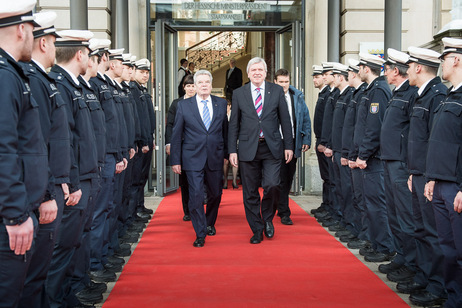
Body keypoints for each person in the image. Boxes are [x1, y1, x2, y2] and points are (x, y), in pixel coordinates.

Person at [18, 11, 71, 308]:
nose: (54, 50)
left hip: (51, 185)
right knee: (35, 273)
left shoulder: (42, 80)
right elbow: (35, 143)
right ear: (43, 44)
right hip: (43, 191)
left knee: (40, 269)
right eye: (52, 42)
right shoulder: (33, 80)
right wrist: (51, 188)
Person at [0, 2, 49, 307]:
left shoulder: (12, 74)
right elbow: (4, 148)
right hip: (10, 219)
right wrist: (17, 214)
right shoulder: (5, 77)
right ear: (21, 29)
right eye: (32, 29)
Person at [46, 29, 98, 308]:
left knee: (73, 242)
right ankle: (55, 300)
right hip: (74, 180)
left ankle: (65, 295)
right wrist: (72, 181)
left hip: (84, 175)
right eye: (88, 54)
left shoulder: (73, 85)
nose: (89, 60)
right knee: (63, 246)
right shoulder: (61, 86)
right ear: (80, 54)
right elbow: (65, 139)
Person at [228, 57, 293, 244]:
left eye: (260, 70)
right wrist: (232, 150)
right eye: (253, 70)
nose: (257, 72)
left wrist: (288, 145)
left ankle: (268, 219)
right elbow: (233, 124)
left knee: (273, 185)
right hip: (248, 148)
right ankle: (256, 228)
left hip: (272, 147)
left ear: (265, 73)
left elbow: (285, 120)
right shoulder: (239, 93)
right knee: (249, 191)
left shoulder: (276, 91)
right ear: (248, 73)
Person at [402, 46, 447, 307]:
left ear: (418, 67)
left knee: (433, 232)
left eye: (409, 66)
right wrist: (412, 171)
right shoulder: (422, 95)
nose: (407, 70)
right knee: (420, 229)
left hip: (428, 175)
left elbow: (434, 141)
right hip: (417, 173)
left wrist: (428, 175)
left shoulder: (437, 95)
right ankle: (424, 275)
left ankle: (438, 285)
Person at [170, 70, 228, 247]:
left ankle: (210, 222)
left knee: (215, 194)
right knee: (195, 196)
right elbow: (176, 134)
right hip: (192, 157)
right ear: (194, 86)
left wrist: (227, 153)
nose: (204, 85)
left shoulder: (221, 103)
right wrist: (175, 160)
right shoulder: (184, 106)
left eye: (207, 82)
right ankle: (200, 232)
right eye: (200, 82)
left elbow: (225, 131)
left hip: (215, 157)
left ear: (211, 85)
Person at [424, 37, 462, 308]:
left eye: (444, 59)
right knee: (448, 248)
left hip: (457, 187)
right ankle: (453, 298)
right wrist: (433, 177)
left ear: (456, 60)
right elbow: (442, 142)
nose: (441, 65)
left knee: (460, 251)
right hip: (442, 183)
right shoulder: (450, 94)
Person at [379, 48, 418, 286]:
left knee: (406, 216)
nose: (384, 73)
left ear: (396, 70)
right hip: (390, 160)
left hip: (401, 163)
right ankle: (402, 255)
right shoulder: (397, 93)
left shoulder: (411, 94)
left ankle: (413, 264)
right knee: (394, 214)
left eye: (387, 69)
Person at [355, 52, 395, 263]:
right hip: (370, 157)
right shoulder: (372, 90)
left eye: (360, 67)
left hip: (374, 158)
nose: (358, 70)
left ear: (366, 68)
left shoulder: (378, 91)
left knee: (378, 204)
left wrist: (363, 154)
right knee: (371, 203)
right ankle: (377, 241)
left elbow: (374, 127)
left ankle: (385, 246)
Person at [273, 68, 311, 225]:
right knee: (277, 179)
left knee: (288, 177)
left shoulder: (297, 96)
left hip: (292, 141)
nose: (283, 85)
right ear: (275, 82)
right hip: (275, 143)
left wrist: (306, 138)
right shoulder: (270, 96)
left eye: (286, 82)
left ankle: (280, 206)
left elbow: (306, 118)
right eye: (280, 82)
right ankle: (284, 211)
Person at [342, 59, 368, 250]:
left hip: (362, 156)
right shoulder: (358, 94)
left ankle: (366, 234)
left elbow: (369, 129)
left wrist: (358, 154)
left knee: (364, 199)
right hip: (351, 152)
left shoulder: (366, 94)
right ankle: (355, 227)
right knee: (352, 193)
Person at [328, 63, 355, 236]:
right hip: (338, 149)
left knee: (347, 189)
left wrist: (346, 152)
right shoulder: (341, 96)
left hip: (344, 151)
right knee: (340, 187)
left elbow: (350, 127)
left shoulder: (349, 95)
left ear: (340, 77)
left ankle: (350, 223)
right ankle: (344, 220)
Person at [165, 74, 196, 221]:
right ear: (183, 87)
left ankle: (198, 204)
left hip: (199, 146)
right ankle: (187, 210)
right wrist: (169, 143)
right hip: (182, 145)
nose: (190, 88)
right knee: (184, 181)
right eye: (188, 85)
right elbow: (170, 124)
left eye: (193, 85)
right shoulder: (177, 104)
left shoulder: (201, 102)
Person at [310, 65, 332, 218]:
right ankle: (327, 204)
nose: (315, 79)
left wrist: (324, 141)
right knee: (326, 176)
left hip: (325, 141)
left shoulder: (328, 94)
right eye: (315, 77)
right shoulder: (323, 94)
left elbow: (328, 121)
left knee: (329, 177)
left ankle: (330, 207)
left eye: (317, 77)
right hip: (321, 139)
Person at [223, 100, 239, 190]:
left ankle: (234, 181)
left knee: (235, 161)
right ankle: (225, 181)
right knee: (225, 162)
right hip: (224, 141)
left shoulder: (234, 115)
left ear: (230, 106)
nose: (226, 107)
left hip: (234, 140)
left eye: (227, 106)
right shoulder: (221, 115)